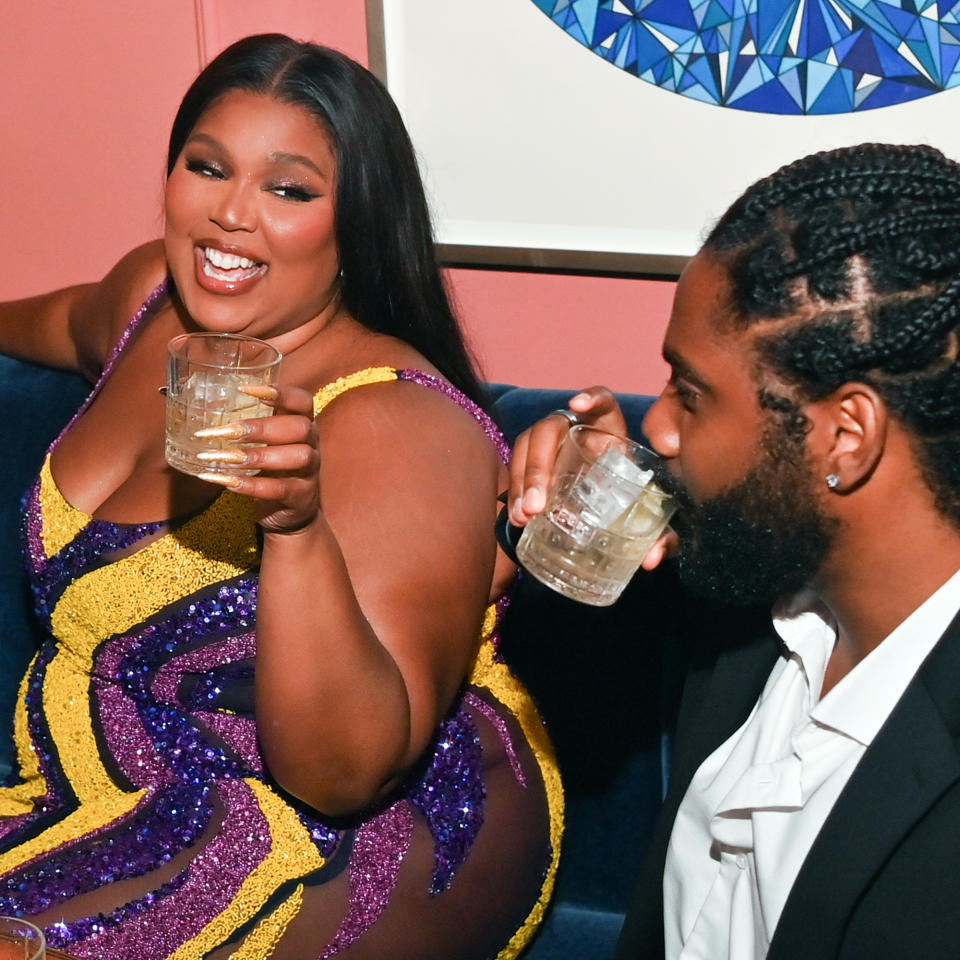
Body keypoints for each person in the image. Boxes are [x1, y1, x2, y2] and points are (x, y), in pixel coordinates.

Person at [0, 34, 561, 960]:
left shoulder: (396, 425)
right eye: (206, 167)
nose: (230, 215)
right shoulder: (152, 303)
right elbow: (55, 322)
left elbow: (346, 775)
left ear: (355, 223)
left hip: (327, 829)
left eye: (289, 189)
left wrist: (295, 529)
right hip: (95, 778)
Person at [508, 141, 960, 959]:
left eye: (691, 391)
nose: (658, 424)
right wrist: (584, 514)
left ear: (845, 437)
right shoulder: (756, 599)